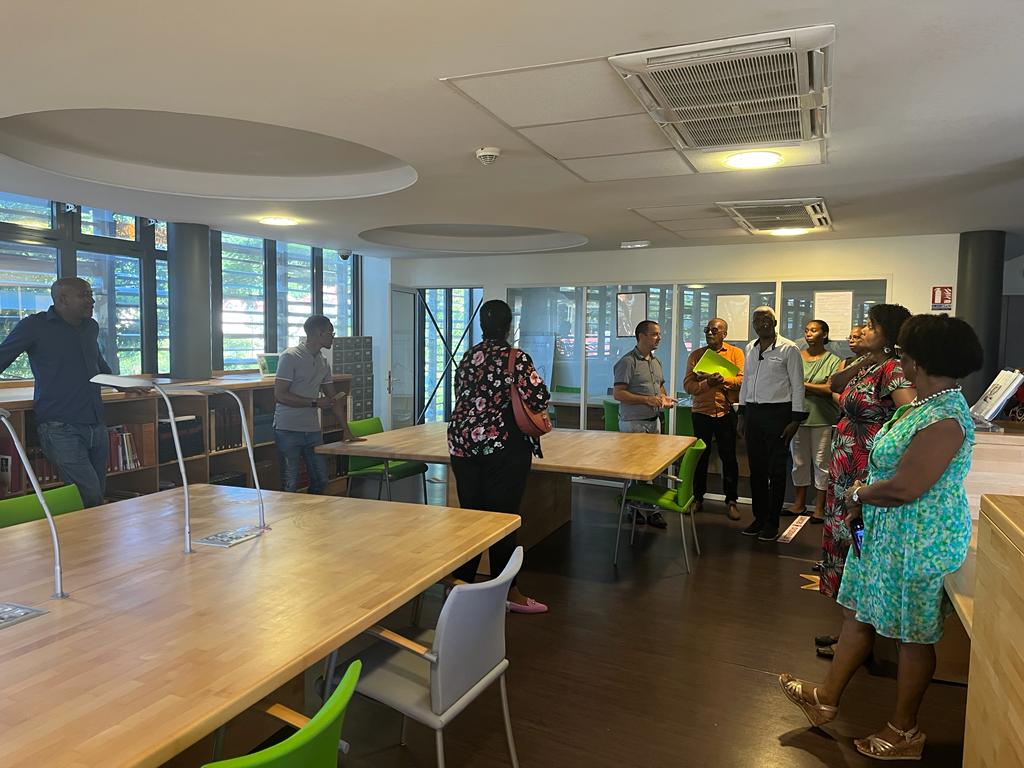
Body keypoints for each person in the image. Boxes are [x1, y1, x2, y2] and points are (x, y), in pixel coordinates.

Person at [779, 314, 983, 761]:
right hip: (887, 531)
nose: (900, 359)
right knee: (859, 613)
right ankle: (825, 698)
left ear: (919, 361)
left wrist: (859, 493)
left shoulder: (945, 417)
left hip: (917, 539)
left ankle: (904, 731)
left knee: (913, 636)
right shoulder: (924, 405)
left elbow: (908, 487)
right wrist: (864, 498)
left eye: (906, 353)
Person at [816, 305, 915, 647]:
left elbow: (910, 414)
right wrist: (868, 358)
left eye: (871, 326)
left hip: (863, 469)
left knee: (857, 545)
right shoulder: (872, 365)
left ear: (888, 334)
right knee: (844, 546)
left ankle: (860, 636)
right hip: (845, 467)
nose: (863, 330)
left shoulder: (893, 369)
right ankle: (852, 632)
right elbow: (835, 383)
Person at [447, 299, 550, 614]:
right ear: (509, 326)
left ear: (481, 325)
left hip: (462, 444)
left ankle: (462, 587)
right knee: (502, 520)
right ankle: (508, 592)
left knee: (471, 518)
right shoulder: (515, 358)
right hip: (502, 446)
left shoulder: (468, 356)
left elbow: (461, 394)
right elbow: (539, 396)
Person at [0, 277, 138, 507]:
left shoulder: (90, 327)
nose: (91, 300)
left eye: (91, 294)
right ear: (62, 299)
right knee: (89, 496)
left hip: (96, 424)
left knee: (96, 493)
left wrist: (122, 384)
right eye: (84, 295)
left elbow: (97, 364)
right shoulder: (34, 326)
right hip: (60, 427)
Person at [736, 307, 806, 541]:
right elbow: (746, 382)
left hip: (778, 414)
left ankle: (772, 522)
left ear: (775, 322)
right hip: (754, 413)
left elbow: (798, 385)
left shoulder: (789, 348)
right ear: (753, 324)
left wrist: (796, 419)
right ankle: (759, 517)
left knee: (776, 470)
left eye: (767, 319)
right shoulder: (750, 347)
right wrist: (742, 414)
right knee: (756, 469)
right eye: (757, 320)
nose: (762, 323)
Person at [274, 315, 361, 494]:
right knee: (290, 483)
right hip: (288, 429)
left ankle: (311, 511)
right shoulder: (290, 356)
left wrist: (346, 429)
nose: (333, 337)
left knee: (321, 480)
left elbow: (333, 398)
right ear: (319, 333)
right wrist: (314, 402)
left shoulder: (323, 362)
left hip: (312, 429)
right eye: (331, 333)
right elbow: (280, 395)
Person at [613, 319, 677, 529]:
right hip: (633, 423)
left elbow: (659, 388)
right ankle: (635, 508)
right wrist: (647, 400)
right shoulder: (627, 362)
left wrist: (663, 399)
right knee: (635, 469)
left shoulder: (656, 362)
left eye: (659, 334)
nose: (659, 338)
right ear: (641, 336)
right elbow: (618, 393)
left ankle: (648, 508)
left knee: (652, 467)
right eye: (655, 334)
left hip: (653, 422)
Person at [682, 317, 744, 520]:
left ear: (724, 334)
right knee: (701, 457)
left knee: (729, 458)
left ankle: (731, 501)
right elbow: (688, 386)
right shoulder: (696, 355)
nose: (709, 333)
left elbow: (742, 380)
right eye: (707, 329)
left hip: (725, 412)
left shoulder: (736, 353)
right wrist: (707, 383)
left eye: (715, 330)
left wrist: (723, 379)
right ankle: (697, 498)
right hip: (701, 413)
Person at [787, 320, 842, 522]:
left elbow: (829, 389)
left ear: (824, 334)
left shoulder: (833, 360)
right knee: (799, 462)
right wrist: (811, 388)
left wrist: (801, 386)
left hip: (822, 418)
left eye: (814, 330)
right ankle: (799, 503)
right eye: (806, 330)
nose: (809, 334)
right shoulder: (796, 356)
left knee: (821, 463)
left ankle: (819, 508)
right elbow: (787, 384)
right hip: (798, 417)